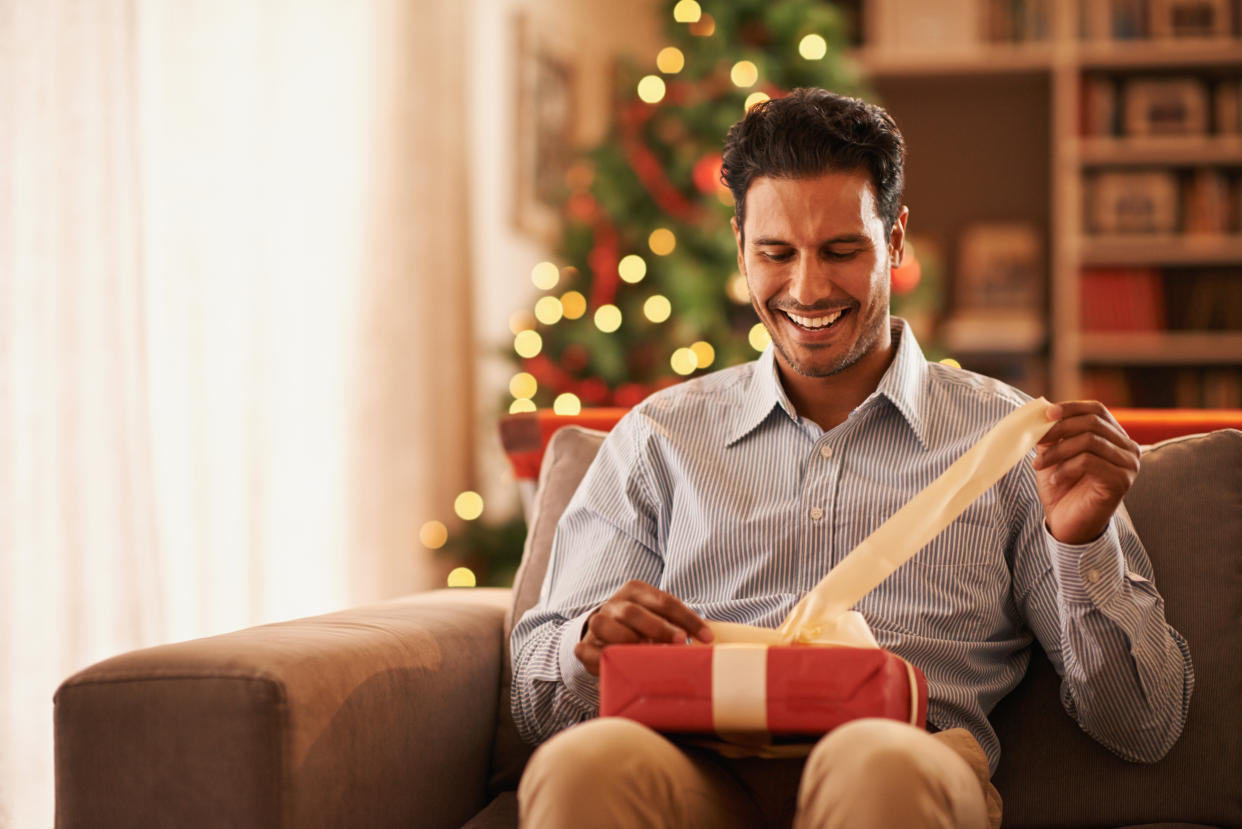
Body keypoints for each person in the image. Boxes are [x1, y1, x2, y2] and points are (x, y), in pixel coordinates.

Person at [509, 88, 1193, 829]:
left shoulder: (1014, 447)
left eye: (841, 250)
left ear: (895, 241)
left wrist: (1082, 542)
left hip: (902, 758)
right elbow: (535, 702)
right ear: (740, 244)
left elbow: (1144, 724)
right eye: (776, 253)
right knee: (581, 765)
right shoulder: (657, 440)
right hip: (690, 762)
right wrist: (587, 647)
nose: (807, 289)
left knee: (876, 764)